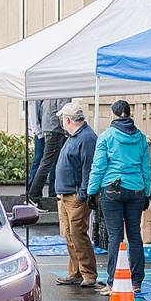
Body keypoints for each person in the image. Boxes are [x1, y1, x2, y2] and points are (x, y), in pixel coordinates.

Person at [88, 100, 151, 295]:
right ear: (129, 114)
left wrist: (92, 191)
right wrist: (147, 192)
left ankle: (112, 281)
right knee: (135, 235)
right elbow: (146, 168)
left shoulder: (106, 137)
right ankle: (136, 281)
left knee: (115, 236)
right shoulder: (141, 138)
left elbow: (98, 166)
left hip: (112, 189)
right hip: (136, 190)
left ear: (113, 115)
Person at [52, 102, 100, 289]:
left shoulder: (86, 138)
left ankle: (88, 272)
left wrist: (83, 193)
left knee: (77, 234)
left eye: (63, 119)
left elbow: (88, 168)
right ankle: (76, 272)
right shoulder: (76, 136)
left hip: (75, 195)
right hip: (67, 194)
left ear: (68, 119)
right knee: (70, 235)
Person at [26, 98, 70, 208]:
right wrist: (67, 130)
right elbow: (63, 111)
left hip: (48, 126)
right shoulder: (63, 89)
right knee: (47, 163)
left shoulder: (51, 89)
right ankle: (34, 195)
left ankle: (35, 194)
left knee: (45, 162)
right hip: (55, 128)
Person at [26, 101, 48, 195]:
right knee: (39, 159)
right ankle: (32, 189)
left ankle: (32, 189)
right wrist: (38, 131)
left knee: (40, 159)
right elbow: (34, 111)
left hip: (43, 129)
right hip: (41, 131)